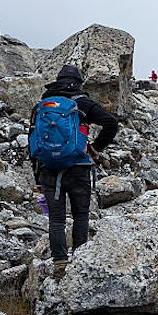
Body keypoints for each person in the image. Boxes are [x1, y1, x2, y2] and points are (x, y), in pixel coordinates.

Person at [29, 65, 119, 278]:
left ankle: (60, 263)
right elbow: (111, 123)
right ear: (79, 83)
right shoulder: (82, 103)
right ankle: (79, 261)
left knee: (57, 219)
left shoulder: (42, 106)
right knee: (80, 216)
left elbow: (33, 143)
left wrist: (37, 177)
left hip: (49, 169)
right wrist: (95, 149)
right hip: (78, 168)